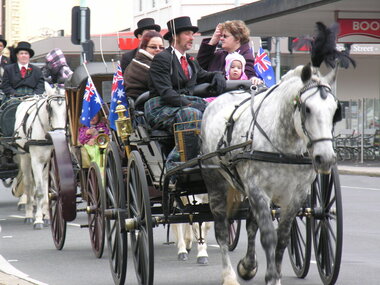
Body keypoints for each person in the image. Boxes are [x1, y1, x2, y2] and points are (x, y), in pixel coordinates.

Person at [145, 16, 226, 169]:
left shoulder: (190, 60)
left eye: (192, 34)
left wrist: (217, 75)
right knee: (191, 114)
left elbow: (204, 75)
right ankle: (174, 165)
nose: (192, 38)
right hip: (159, 107)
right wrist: (193, 103)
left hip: (182, 105)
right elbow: (166, 93)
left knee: (216, 109)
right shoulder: (162, 59)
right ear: (175, 36)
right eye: (188, 33)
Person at [197, 20, 262, 85]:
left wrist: (253, 78)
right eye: (221, 36)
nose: (221, 39)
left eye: (225, 36)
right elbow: (199, 67)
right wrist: (212, 41)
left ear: (237, 39)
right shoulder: (219, 54)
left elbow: (249, 74)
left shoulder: (246, 56)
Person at [124, 30, 164, 100]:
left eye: (161, 47)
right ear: (144, 47)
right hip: (145, 106)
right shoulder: (143, 65)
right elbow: (165, 85)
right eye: (153, 47)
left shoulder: (140, 61)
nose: (158, 50)